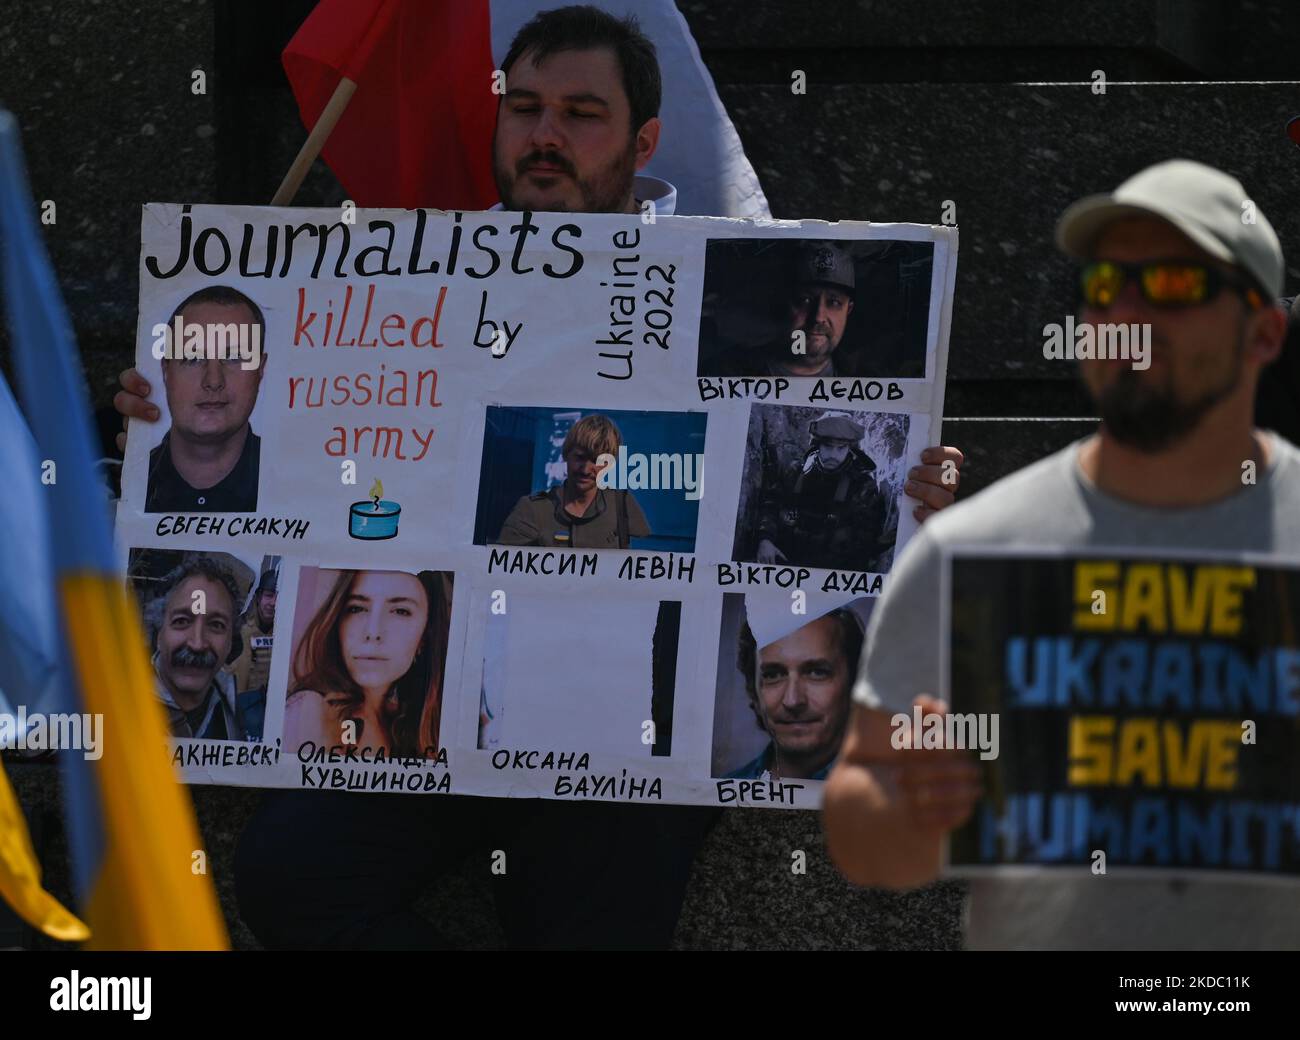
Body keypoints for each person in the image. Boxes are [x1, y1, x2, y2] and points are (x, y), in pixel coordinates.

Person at [114, 6, 964, 949]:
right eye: (522, 107)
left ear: (643, 139)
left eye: (580, 113)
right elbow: (306, 459)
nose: (545, 134)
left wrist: (920, 503)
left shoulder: (728, 288)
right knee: (289, 874)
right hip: (442, 721)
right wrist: (164, 422)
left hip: (630, 736)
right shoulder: (400, 271)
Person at [823, 158, 1296, 950]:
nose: (1130, 316)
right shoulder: (972, 551)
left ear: (1265, 330)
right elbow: (863, 822)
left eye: (1175, 285)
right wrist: (909, 807)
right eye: (1107, 289)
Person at [285, 570, 450, 758]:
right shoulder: (315, 710)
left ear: (424, 637)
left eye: (400, 611)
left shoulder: (406, 723)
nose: (373, 632)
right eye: (357, 608)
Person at [143, 285, 266, 513]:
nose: (213, 380)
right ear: (166, 370)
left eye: (233, 357)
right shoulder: (123, 480)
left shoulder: (296, 485)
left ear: (260, 368)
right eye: (193, 358)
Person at [726, 608, 864, 781]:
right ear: (754, 694)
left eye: (817, 673)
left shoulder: (891, 797)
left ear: (855, 685)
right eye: (773, 675)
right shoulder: (711, 798)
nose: (793, 701)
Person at [754, 410, 889, 570]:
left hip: (833, 572)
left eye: (841, 448)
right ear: (817, 445)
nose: (833, 454)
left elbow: (864, 544)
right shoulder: (796, 472)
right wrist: (765, 540)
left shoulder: (862, 485)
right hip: (785, 563)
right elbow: (770, 505)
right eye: (828, 446)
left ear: (850, 449)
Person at [495, 413, 650, 549]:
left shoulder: (622, 505)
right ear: (566, 455)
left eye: (597, 461)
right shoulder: (531, 510)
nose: (585, 469)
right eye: (580, 457)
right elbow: (502, 568)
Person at [708, 241, 857, 378]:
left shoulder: (864, 379)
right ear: (783, 302)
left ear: (848, 310)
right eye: (804, 300)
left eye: (834, 302)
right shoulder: (726, 372)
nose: (818, 317)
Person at [145, 556, 246, 741]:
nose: (198, 644)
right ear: (159, 634)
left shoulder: (233, 711)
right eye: (182, 621)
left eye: (216, 625)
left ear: (231, 641)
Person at [231, 566, 277, 697]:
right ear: (258, 597)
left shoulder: (286, 633)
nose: (273, 603)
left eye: (278, 596)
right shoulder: (240, 629)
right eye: (269, 596)